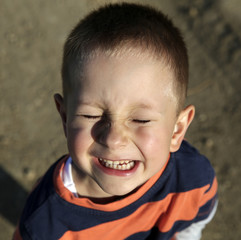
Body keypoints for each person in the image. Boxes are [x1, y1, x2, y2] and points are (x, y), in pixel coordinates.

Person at [13, 3, 218, 240]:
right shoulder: (43, 224)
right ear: (65, 117)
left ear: (177, 130)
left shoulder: (193, 179)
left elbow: (197, 218)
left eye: (140, 118)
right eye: (91, 115)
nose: (113, 139)